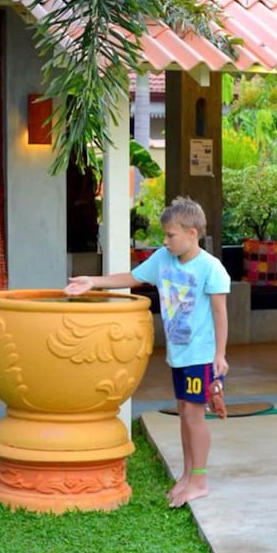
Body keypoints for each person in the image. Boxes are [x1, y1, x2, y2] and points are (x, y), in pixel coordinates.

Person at [64, 196, 230, 508]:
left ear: (192, 233)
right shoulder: (163, 260)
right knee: (184, 411)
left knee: (194, 415)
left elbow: (220, 313)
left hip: (201, 356)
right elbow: (132, 277)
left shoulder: (211, 268)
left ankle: (200, 481)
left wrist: (219, 355)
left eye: (170, 235)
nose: (165, 241)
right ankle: (187, 475)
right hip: (179, 354)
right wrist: (92, 282)